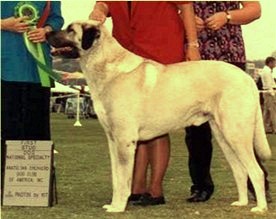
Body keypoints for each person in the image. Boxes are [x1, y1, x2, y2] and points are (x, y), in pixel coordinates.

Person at [90, 1, 200, 205]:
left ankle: (155, 188)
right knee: (130, 123)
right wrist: (99, 10)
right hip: (126, 53)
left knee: (158, 121)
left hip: (162, 48)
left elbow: (186, 5)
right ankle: (136, 186)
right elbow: (104, 4)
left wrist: (192, 45)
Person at [185, 1, 271, 203]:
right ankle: (201, 186)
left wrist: (227, 16)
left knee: (239, 129)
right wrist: (187, 20)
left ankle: (257, 185)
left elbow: (255, 10)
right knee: (196, 131)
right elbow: (174, 10)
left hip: (230, 57)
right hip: (195, 58)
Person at [1, 1, 64, 201]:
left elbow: (56, 18)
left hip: (39, 69)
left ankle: (34, 190)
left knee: (38, 128)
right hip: (5, 65)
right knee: (7, 128)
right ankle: (6, 187)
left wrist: (46, 30)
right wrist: (3, 24)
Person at [260, 56, 276, 134]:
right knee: (272, 111)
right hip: (269, 93)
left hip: (267, 92)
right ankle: (274, 128)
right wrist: (273, 94)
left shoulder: (267, 71)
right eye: (274, 62)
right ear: (270, 63)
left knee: (267, 112)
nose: (275, 64)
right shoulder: (266, 72)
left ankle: (265, 128)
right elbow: (268, 84)